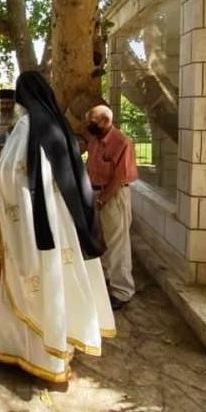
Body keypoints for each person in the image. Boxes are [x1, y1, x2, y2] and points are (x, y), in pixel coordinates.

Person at [0, 71, 115, 383]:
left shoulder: (26, 125)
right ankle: (63, 345)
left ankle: (34, 354)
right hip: (62, 220)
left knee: (34, 278)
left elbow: (12, 174)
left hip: (39, 223)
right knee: (59, 279)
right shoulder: (57, 123)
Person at [85, 104, 138, 310]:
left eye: (92, 121)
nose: (88, 125)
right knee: (102, 242)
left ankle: (122, 292)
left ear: (106, 121)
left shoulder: (122, 142)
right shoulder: (94, 141)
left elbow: (120, 177)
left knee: (117, 245)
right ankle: (107, 282)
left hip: (114, 196)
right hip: (96, 194)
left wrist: (102, 200)